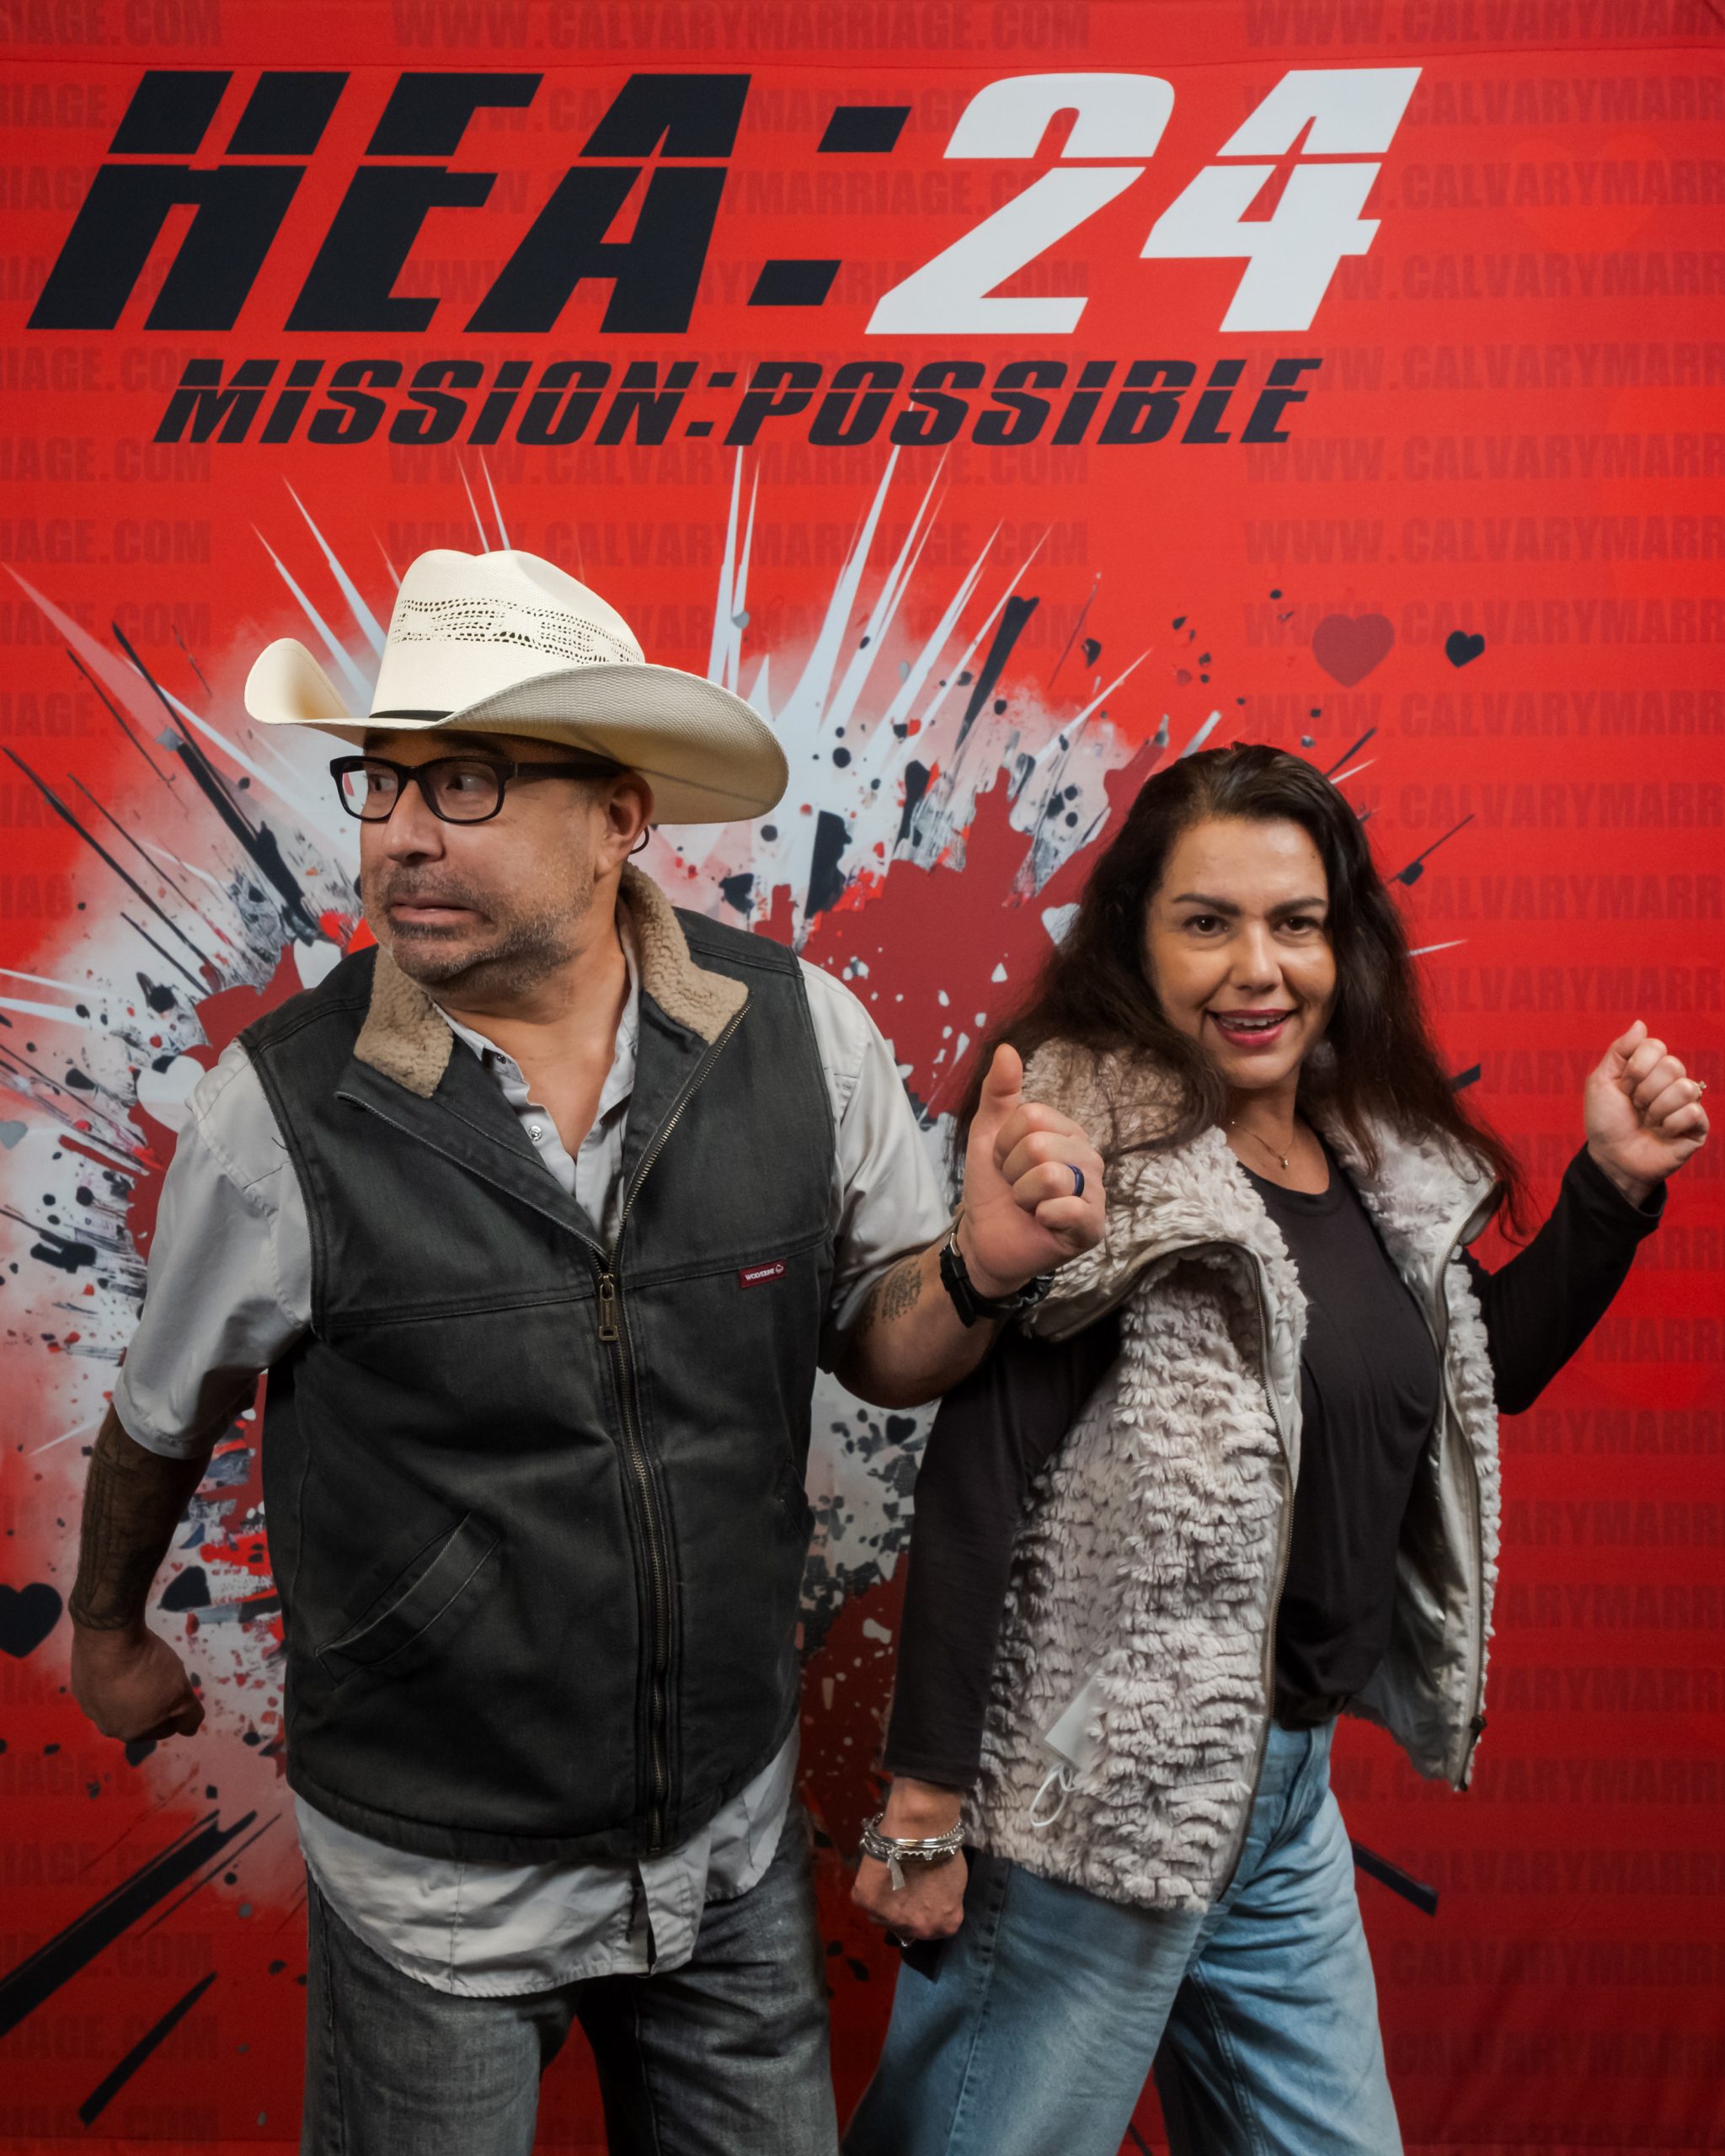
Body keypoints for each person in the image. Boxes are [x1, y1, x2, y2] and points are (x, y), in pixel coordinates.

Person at [65, 545, 1107, 2156]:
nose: (399, 834)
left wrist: (975, 1270)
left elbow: (880, 1346)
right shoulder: (276, 1110)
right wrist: (109, 1627)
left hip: (725, 1845)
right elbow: (162, 1409)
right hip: (437, 1884)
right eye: (381, 781)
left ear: (622, 816)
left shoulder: (801, 1034)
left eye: (465, 782)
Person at [844, 743, 1708, 2156]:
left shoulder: (1370, 1160)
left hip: (1285, 1802)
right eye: (1208, 922)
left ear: (1341, 943)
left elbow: (1468, 1380)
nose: (1259, 969)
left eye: (1295, 924)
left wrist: (1610, 1189)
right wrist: (925, 1807)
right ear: (1137, 940)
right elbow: (978, 1479)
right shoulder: (1088, 1162)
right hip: (1089, 1797)